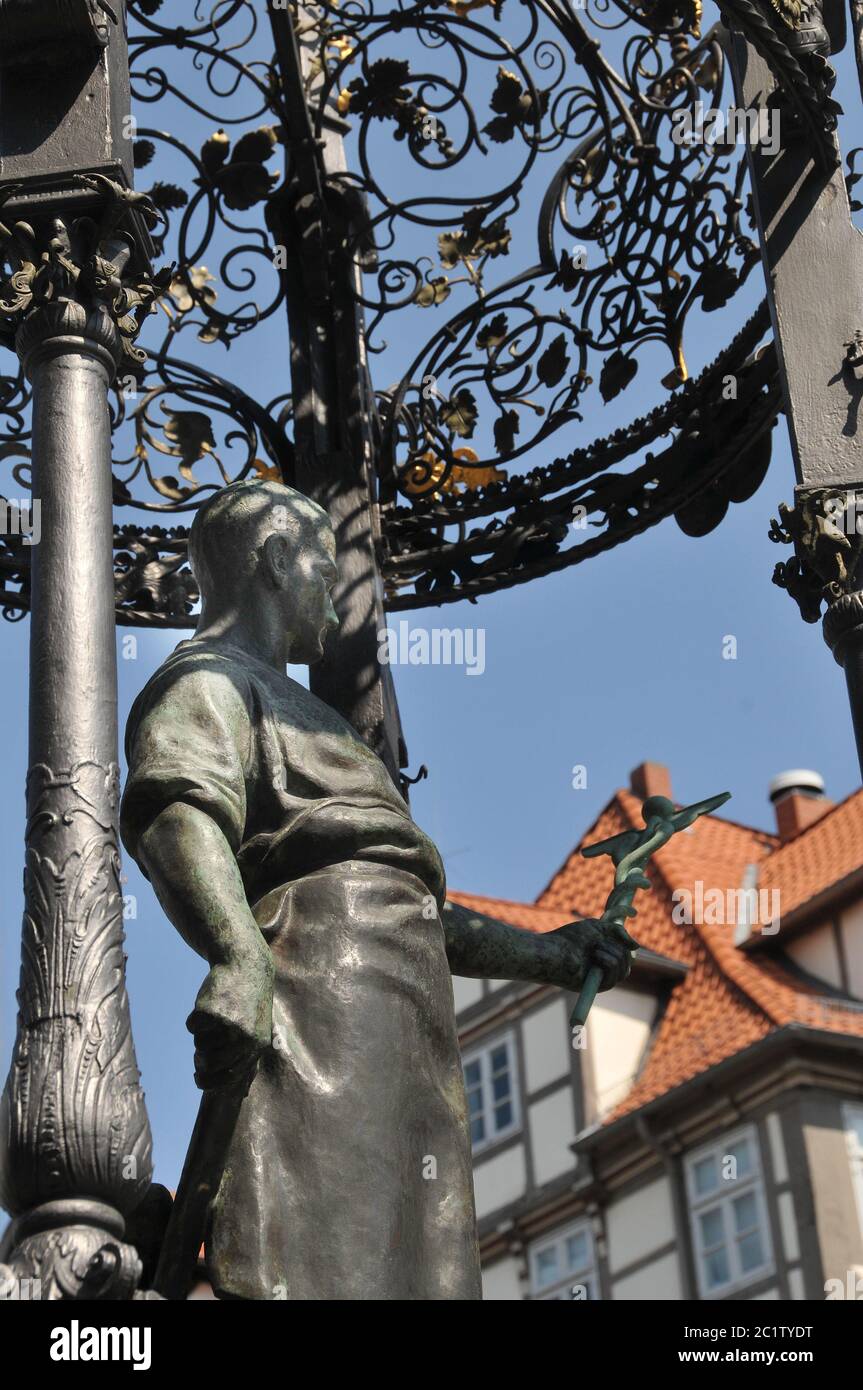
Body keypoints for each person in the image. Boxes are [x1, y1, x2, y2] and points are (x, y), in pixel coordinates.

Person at [120, 479, 632, 1300]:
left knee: (411, 1262)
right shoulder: (212, 681)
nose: (340, 593)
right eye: (327, 563)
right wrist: (237, 955)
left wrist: (552, 955)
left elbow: (407, 897)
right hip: (324, 1000)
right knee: (324, 1251)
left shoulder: (305, 711)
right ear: (278, 561)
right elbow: (177, 814)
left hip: (396, 1014)